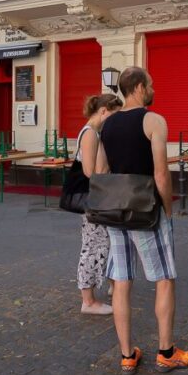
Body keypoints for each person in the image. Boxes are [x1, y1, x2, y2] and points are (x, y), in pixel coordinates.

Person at [96, 66, 188, 375]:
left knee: (122, 283)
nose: (153, 88)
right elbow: (161, 172)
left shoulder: (107, 124)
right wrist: (167, 209)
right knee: (164, 279)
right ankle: (166, 353)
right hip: (146, 210)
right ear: (138, 87)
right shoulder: (153, 120)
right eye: (150, 84)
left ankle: (127, 356)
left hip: (115, 211)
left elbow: (101, 171)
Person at [75, 93, 122, 315]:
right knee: (92, 246)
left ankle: (110, 285)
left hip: (98, 197)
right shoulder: (91, 134)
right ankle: (88, 300)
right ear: (104, 111)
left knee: (104, 242)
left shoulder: (95, 132)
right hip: (95, 199)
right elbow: (89, 171)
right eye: (114, 114)